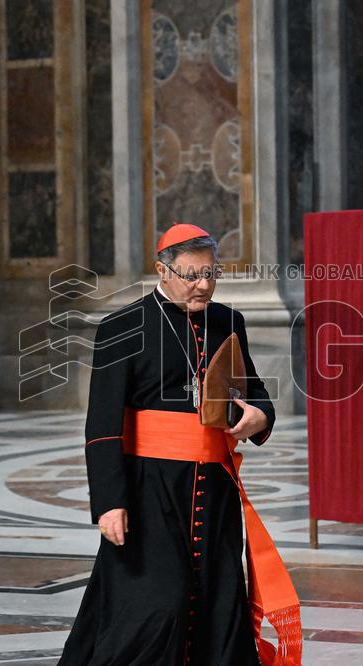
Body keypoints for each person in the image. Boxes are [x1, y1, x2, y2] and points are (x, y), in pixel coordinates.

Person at [59, 224, 301, 666]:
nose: (204, 285)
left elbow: (257, 394)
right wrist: (110, 502)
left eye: (211, 274)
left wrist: (259, 416)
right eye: (192, 275)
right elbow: (103, 425)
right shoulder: (121, 326)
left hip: (214, 492)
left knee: (219, 601)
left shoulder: (228, 321)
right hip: (149, 490)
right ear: (162, 270)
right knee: (157, 605)